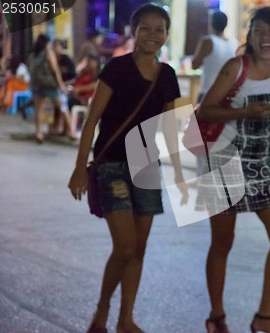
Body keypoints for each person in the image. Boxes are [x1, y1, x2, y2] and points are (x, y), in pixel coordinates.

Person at [68, 4, 188, 333]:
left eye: (159, 29)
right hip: (112, 166)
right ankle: (102, 310)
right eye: (145, 28)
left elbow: (169, 128)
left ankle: (126, 318)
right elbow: (92, 119)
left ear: (166, 35)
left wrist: (178, 171)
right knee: (126, 245)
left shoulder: (167, 75)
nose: (152, 35)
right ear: (133, 33)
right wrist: (80, 168)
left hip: (147, 167)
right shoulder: (116, 69)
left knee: (140, 247)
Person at [197, 7, 270, 333]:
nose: (265, 38)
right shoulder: (236, 67)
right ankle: (216, 315)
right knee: (223, 242)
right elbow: (204, 112)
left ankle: (264, 317)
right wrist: (246, 112)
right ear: (250, 36)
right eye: (258, 31)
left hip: (260, 165)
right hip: (222, 163)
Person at [191, 10, 238, 176]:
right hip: (227, 95)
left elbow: (194, 64)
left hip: (207, 93)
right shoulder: (234, 43)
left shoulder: (207, 41)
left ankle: (203, 171)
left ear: (211, 23)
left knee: (201, 134)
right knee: (222, 134)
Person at [28, 34, 75, 143]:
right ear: (47, 42)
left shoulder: (33, 53)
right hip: (50, 85)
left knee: (38, 110)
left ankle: (38, 133)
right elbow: (55, 70)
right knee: (63, 108)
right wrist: (61, 85)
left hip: (37, 84)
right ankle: (71, 132)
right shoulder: (48, 52)